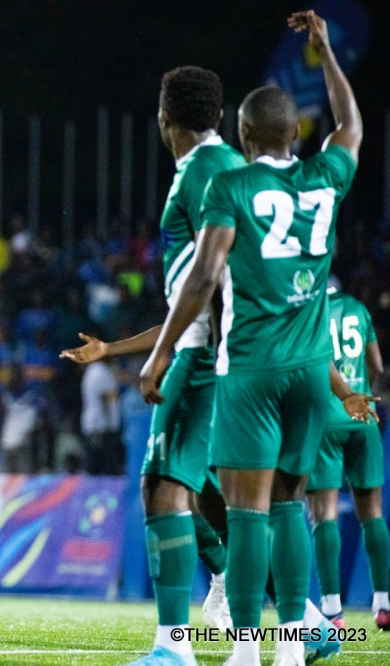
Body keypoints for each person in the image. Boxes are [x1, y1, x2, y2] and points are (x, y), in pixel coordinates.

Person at [138, 13, 375, 666]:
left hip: (249, 366)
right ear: (296, 134)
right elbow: (351, 128)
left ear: (244, 136)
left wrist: (157, 355)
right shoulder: (325, 178)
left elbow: (206, 275)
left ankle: (242, 649)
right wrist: (326, 55)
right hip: (308, 366)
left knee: (243, 511)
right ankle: (297, 641)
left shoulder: (231, 184)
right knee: (288, 506)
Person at [62, 64, 245, 663]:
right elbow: (186, 297)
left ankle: (174, 648)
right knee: (208, 493)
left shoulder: (208, 171)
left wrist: (174, 354)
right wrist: (114, 349)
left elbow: (208, 278)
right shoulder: (214, 168)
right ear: (216, 114)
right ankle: (311, 620)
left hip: (207, 353)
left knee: (163, 486)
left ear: (164, 115)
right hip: (211, 344)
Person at [307, 286, 388, 631]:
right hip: (363, 416)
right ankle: (384, 604)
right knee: (372, 514)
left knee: (323, 514)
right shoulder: (358, 307)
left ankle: (332, 610)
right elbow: (377, 365)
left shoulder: (309, 309)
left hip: (326, 417)